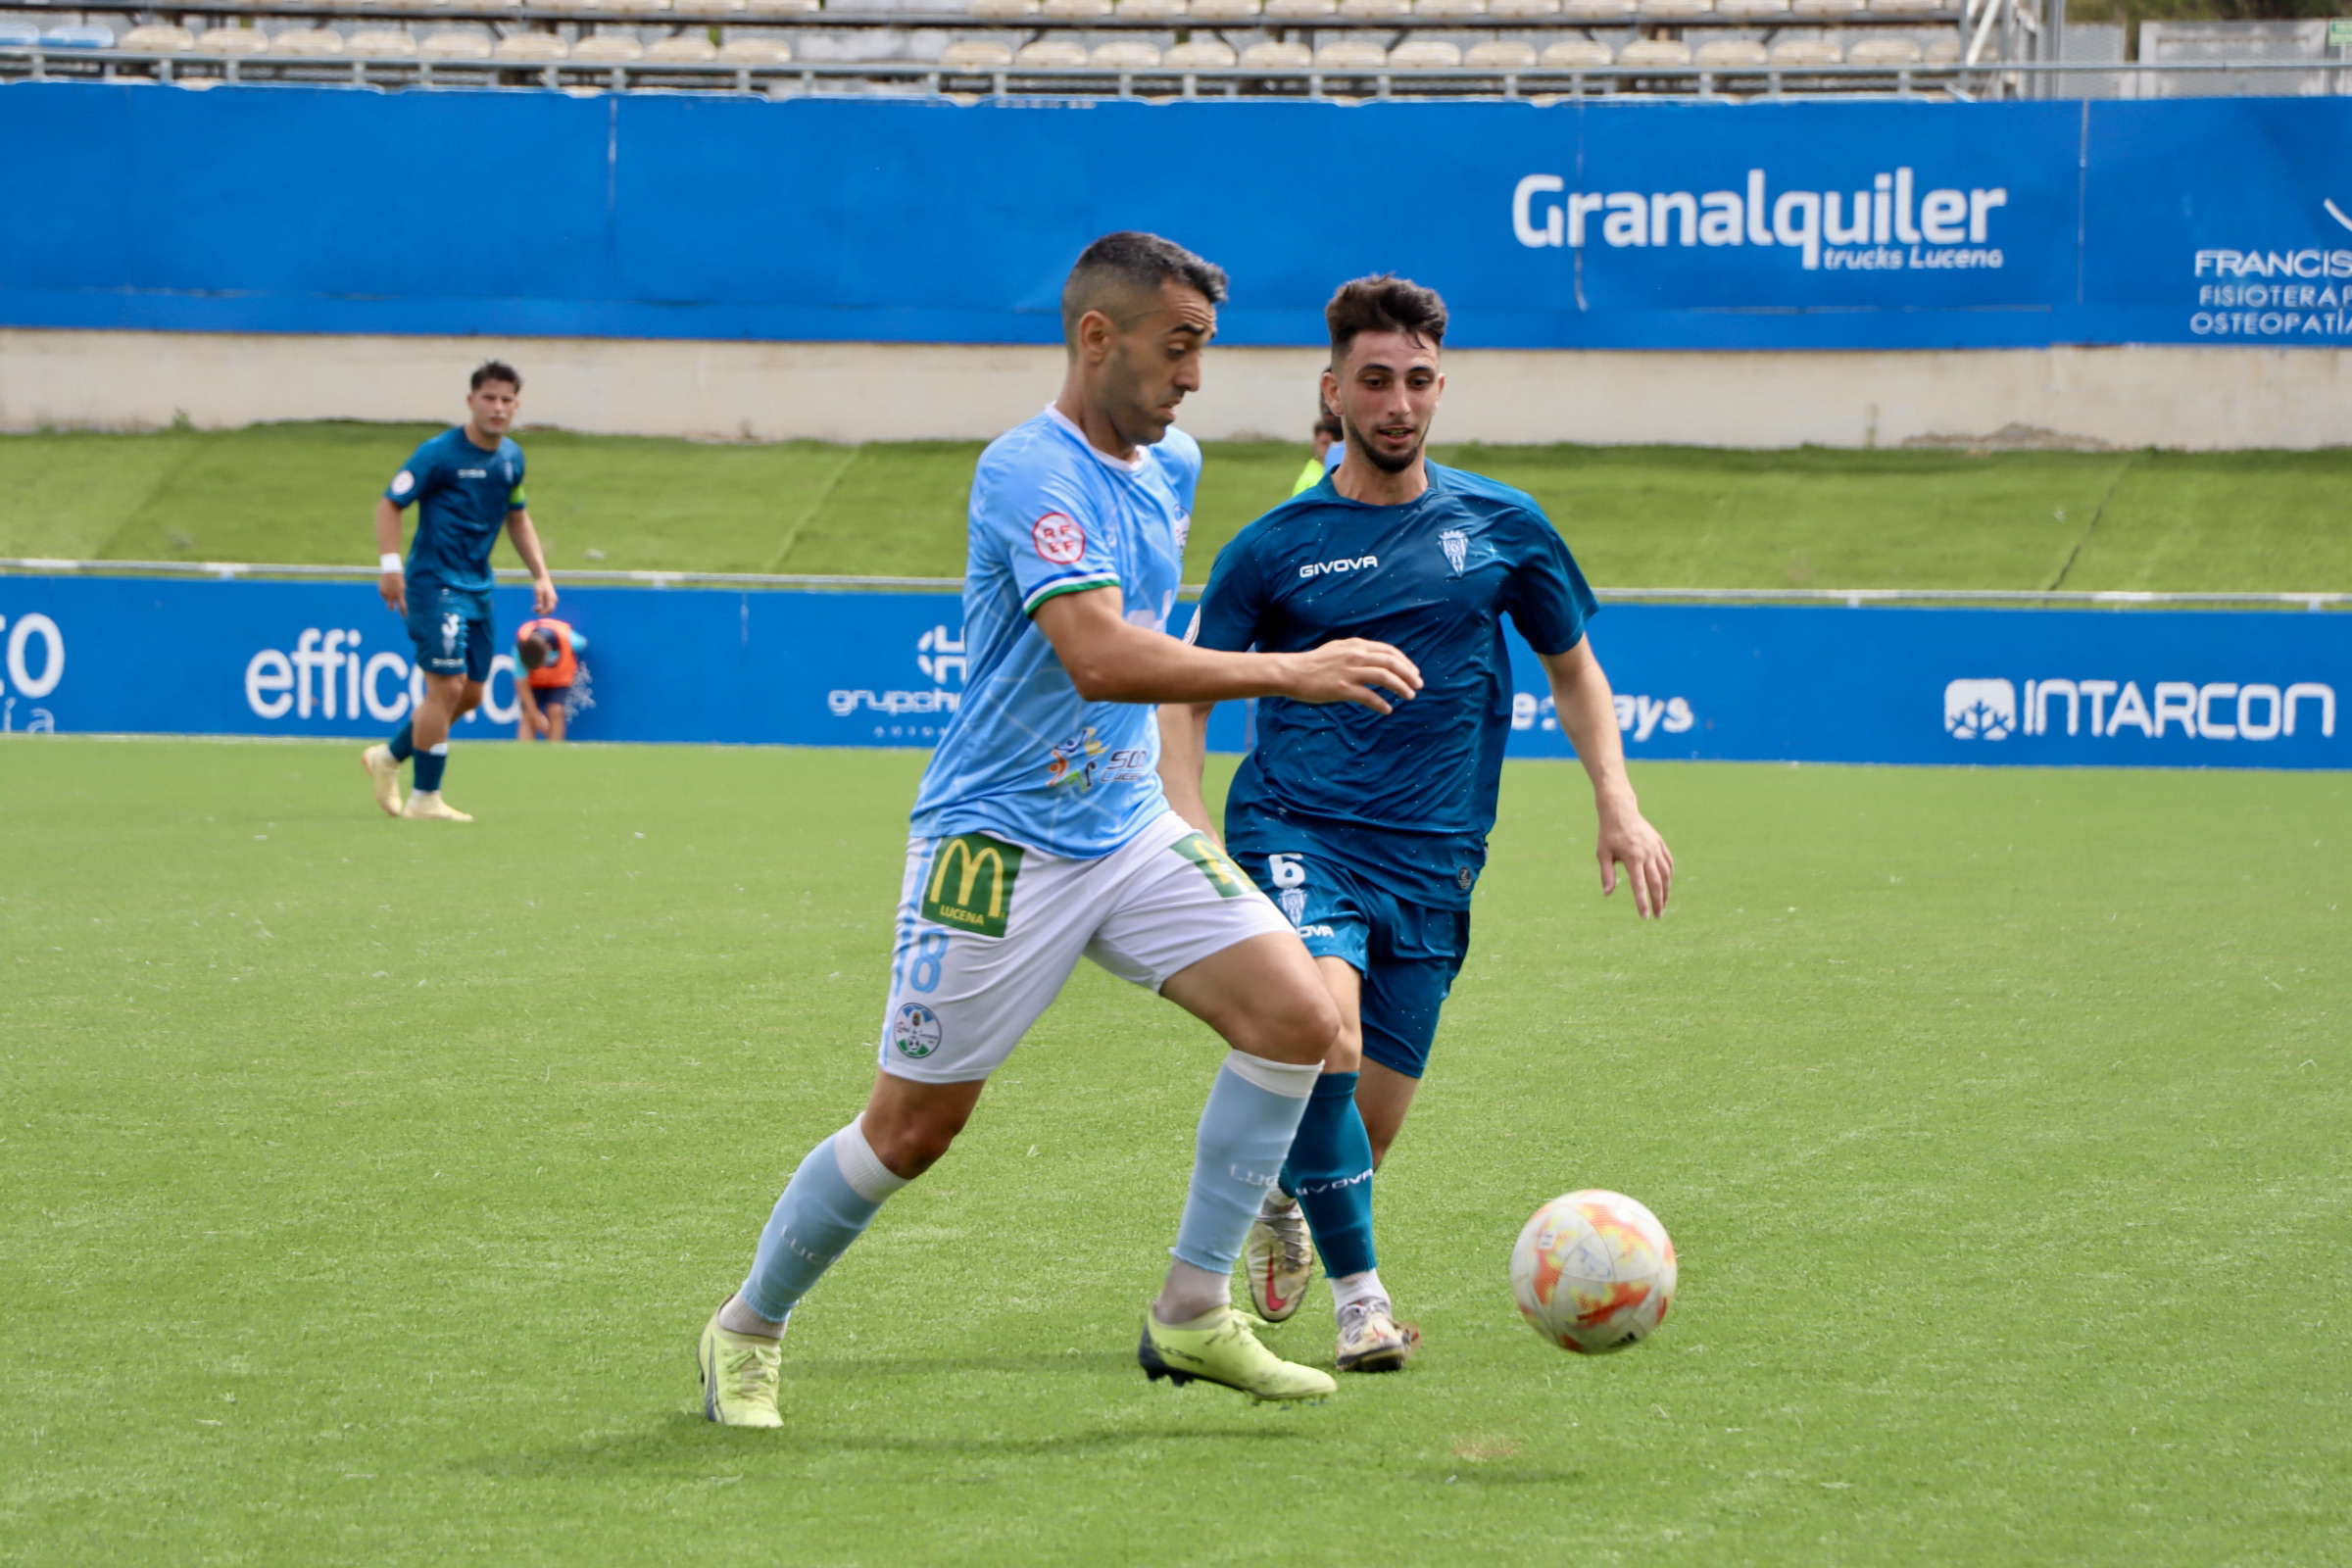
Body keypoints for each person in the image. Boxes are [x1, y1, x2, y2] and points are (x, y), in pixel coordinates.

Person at [695, 233, 1425, 1427]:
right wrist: (1287, 672)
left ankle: (1191, 1312)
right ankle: (747, 1328)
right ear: (1099, 337)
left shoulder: (1173, 462)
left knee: (1301, 1017)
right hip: (997, 843)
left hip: (1126, 825)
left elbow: (1145, 638)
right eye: (1178, 348)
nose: (1194, 379)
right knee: (913, 1129)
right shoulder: (1025, 472)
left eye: (1205, 350)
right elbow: (1095, 654)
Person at [1158, 274, 1675, 1374]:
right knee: (1322, 1030)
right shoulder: (1272, 546)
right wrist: (1191, 822)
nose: (1398, 402)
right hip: (1300, 832)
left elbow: (1574, 669)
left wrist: (1616, 801)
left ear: (1442, 387)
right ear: (1333, 388)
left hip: (1437, 861)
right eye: (1376, 380)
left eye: (1419, 380)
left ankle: (1288, 1206)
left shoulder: (1502, 526)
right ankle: (1364, 1304)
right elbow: (1187, 693)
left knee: (1366, 1122)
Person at [361, 362, 557, 821]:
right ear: (471, 401)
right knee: (445, 688)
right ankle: (424, 798)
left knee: (469, 694)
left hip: (478, 588)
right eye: (489, 397)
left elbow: (517, 516)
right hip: (435, 585)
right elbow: (390, 504)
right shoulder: (438, 454)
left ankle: (387, 758)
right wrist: (391, 567)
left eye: (507, 400)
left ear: (517, 406)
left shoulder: (511, 459)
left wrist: (541, 574)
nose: (498, 407)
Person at [514, 616, 588, 743]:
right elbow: (520, 682)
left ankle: (554, 754)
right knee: (528, 715)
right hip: (533, 683)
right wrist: (536, 716)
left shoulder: (568, 638)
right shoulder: (520, 647)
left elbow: (583, 644)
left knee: (555, 710)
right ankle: (523, 756)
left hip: (560, 679)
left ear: (547, 648)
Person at [1290, 407, 1347, 497]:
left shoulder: (1344, 469)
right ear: (1314, 444)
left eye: (1335, 441)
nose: (1331, 447)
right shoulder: (1307, 483)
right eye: (1325, 443)